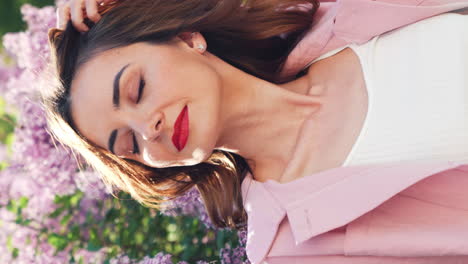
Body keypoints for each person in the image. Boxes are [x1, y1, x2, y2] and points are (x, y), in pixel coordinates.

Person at [47, 0, 468, 263]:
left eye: (136, 89)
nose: (147, 128)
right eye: (130, 143)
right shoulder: (292, 247)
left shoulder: (339, 16)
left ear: (186, 38)